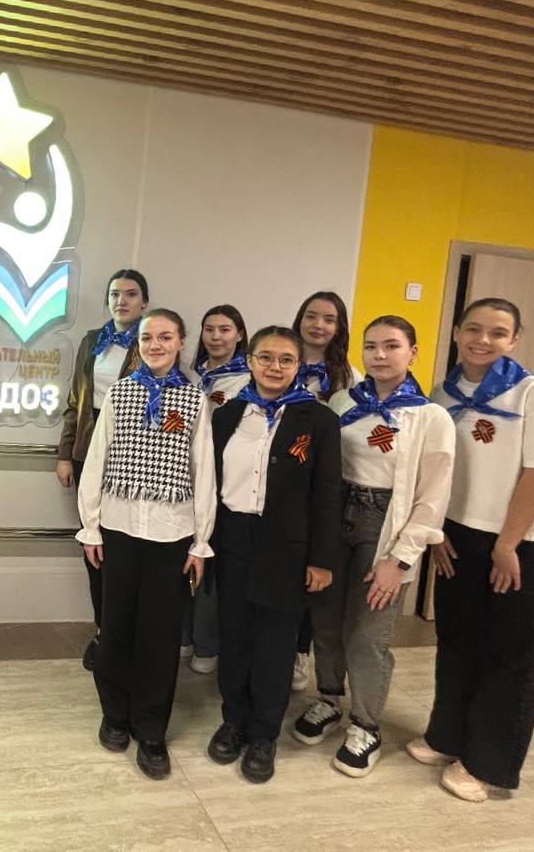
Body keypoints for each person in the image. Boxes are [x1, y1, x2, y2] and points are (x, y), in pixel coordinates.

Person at [408, 298, 534, 803]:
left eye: (498, 332)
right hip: (460, 535)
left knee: (511, 655)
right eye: (474, 329)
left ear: (514, 339)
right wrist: (438, 531)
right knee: (457, 641)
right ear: (457, 333)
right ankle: (447, 736)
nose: (483, 340)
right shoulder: (443, 392)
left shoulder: (533, 392)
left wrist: (508, 543)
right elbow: (438, 469)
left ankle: (488, 764)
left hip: (523, 541)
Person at [293, 316, 454, 776]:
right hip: (334, 513)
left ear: (412, 353)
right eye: (371, 346)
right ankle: (328, 698)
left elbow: (432, 497)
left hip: (383, 524)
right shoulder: (344, 401)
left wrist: (399, 560)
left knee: (368, 632)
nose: (379, 355)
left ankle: (366, 725)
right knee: (325, 617)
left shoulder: (430, 417)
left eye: (391, 346)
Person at [76, 309, 215, 780]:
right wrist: (91, 526)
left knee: (159, 637)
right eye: (148, 337)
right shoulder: (120, 392)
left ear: (181, 342)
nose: (156, 344)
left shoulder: (194, 399)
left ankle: (151, 728)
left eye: (165, 336)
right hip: (118, 528)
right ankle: (114, 714)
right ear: (138, 343)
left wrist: (200, 541)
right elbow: (98, 459)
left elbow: (203, 471)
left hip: (170, 534)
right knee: (116, 628)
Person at [206, 326, 341, 784]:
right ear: (250, 360)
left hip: (286, 544)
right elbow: (209, 481)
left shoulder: (318, 420)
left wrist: (321, 559)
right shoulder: (228, 414)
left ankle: (264, 734)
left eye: (286, 359)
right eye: (265, 357)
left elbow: (326, 494)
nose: (274, 367)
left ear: (299, 365)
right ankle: (233, 720)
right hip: (232, 538)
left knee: (275, 644)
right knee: (234, 635)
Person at [57, 268, 147, 670]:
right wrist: (65, 452)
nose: (121, 301)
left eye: (130, 294)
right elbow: (75, 399)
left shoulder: (150, 342)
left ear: (144, 302)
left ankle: (125, 631)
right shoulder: (92, 340)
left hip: (130, 454)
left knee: (124, 546)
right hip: (86, 448)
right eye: (114, 294)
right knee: (92, 544)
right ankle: (103, 630)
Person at [289, 290, 362, 692]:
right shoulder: (282, 360)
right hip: (282, 478)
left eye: (329, 319)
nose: (318, 325)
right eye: (311, 316)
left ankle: (300, 652)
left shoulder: (349, 377)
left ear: (339, 328)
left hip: (322, 482)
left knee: (311, 568)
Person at [181, 305, 250, 676]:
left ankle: (207, 643)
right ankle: (184, 635)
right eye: (209, 329)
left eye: (225, 329)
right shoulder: (189, 375)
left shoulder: (248, 379)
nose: (216, 336)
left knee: (209, 558)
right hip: (183, 475)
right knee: (181, 554)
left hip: (224, 479)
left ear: (239, 334)